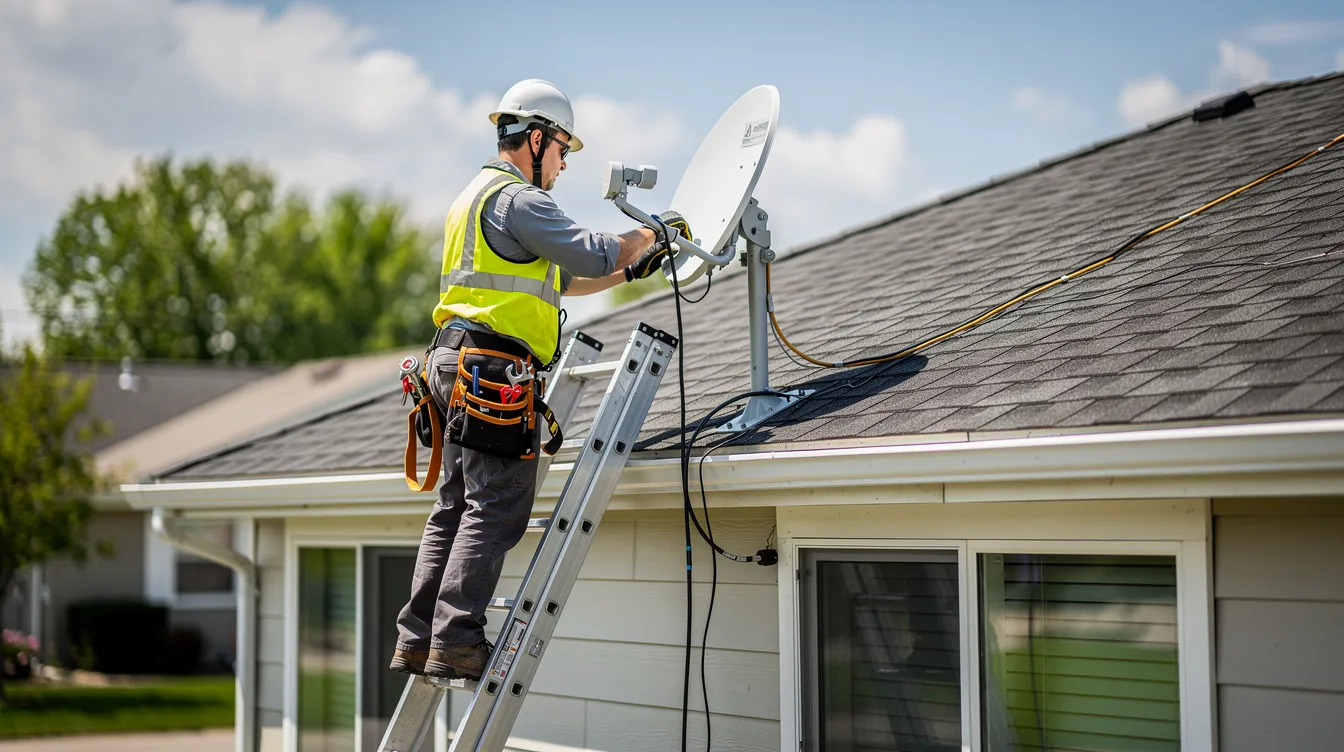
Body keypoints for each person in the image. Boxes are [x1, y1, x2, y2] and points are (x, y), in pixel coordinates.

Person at [390, 79, 690, 681]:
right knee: (497, 503)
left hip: (450, 364)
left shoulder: (472, 198)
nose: (560, 166)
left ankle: (419, 637)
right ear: (535, 138)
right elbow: (592, 252)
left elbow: (567, 279)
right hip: (491, 370)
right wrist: (653, 234)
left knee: (454, 507)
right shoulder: (521, 201)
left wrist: (633, 266)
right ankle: (458, 639)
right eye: (560, 152)